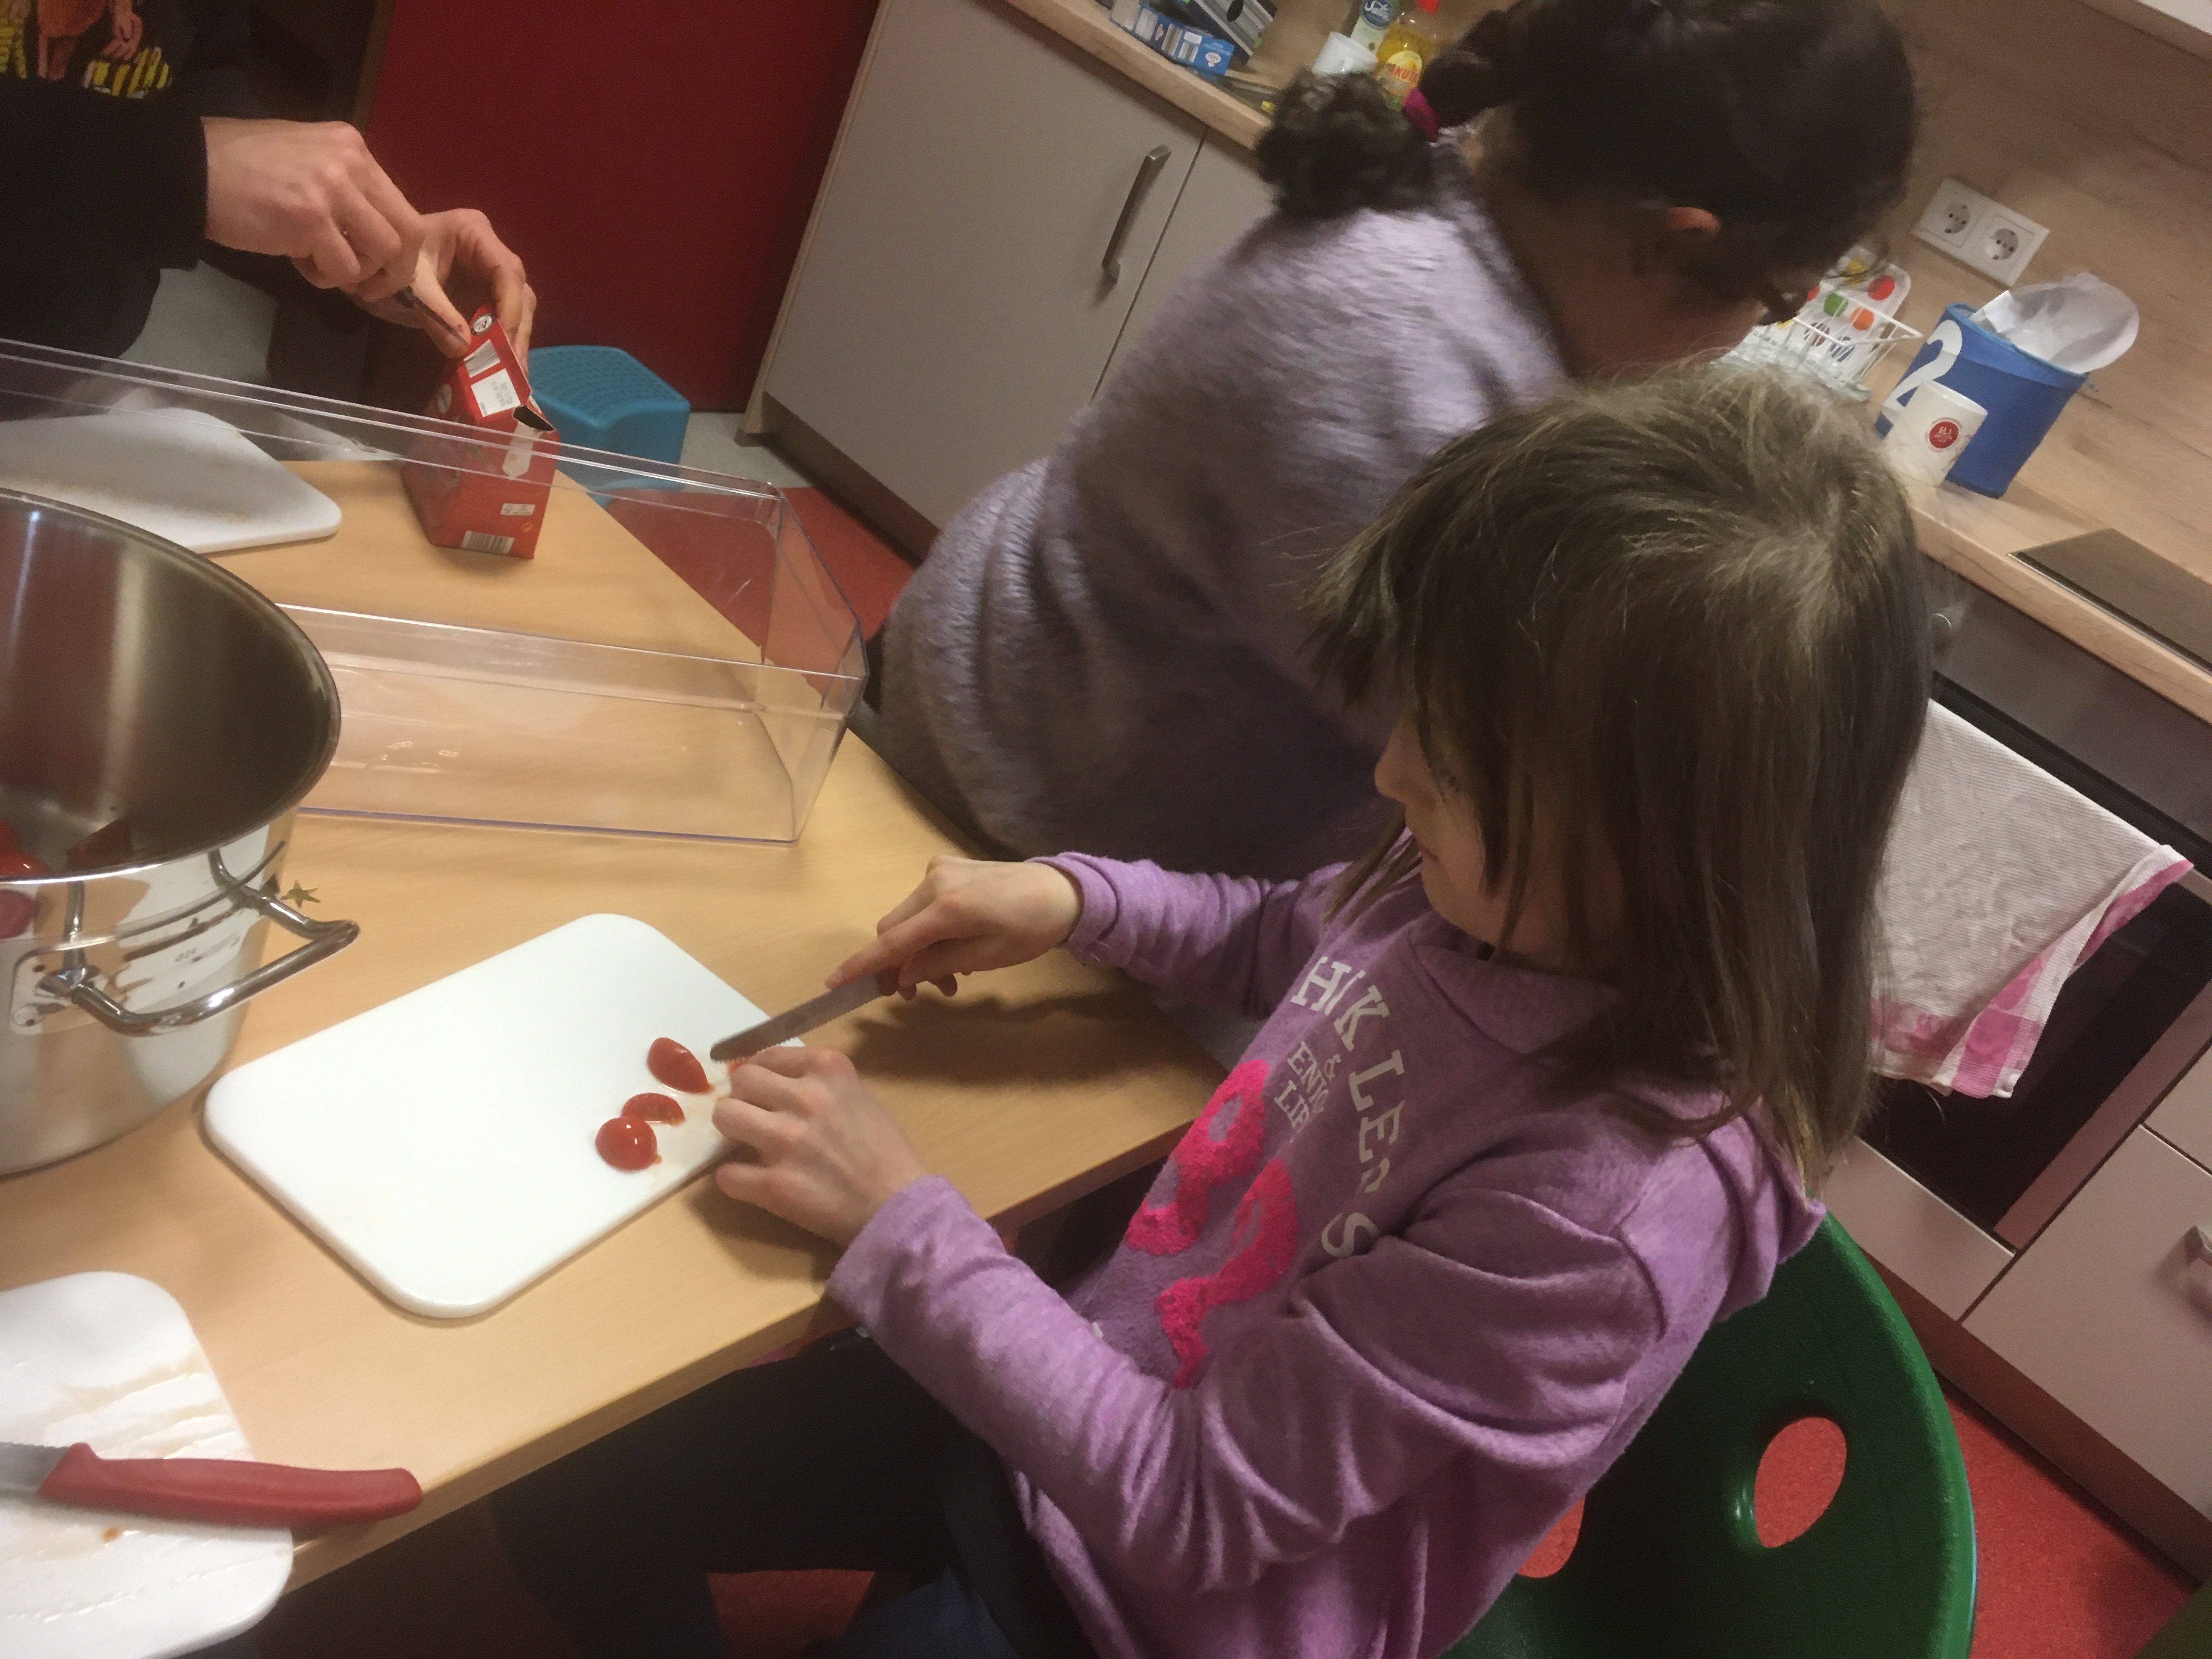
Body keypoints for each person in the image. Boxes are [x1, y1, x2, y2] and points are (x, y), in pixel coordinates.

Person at [491, 367, 1934, 1659]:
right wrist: (1074, 901)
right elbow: (1287, 938)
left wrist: (899, 1221)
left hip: (1156, 1607)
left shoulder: (1594, 1212)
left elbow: (1189, 1507)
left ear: (1666, 848)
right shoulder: (1501, 894)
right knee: (566, 1495)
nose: (1392, 777)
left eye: (1454, 765)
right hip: (1063, 1408)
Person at [874, 0, 1916, 880]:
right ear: (1672, 242)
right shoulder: (1407, 380)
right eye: (1772, 304)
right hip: (1014, 813)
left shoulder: (1456, 212)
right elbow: (1497, 796)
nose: (1740, 343)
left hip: (1042, 710)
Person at [0, 0, 532, 361]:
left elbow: (192, 73)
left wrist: (353, 235)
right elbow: (190, 162)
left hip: (71, 368)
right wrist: (186, 168)